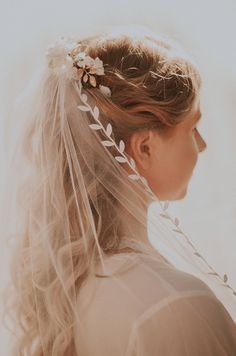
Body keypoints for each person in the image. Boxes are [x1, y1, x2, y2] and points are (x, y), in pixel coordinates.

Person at [1, 27, 236, 355]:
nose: (203, 145)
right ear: (144, 148)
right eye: (192, 128)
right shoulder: (176, 305)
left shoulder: (74, 288)